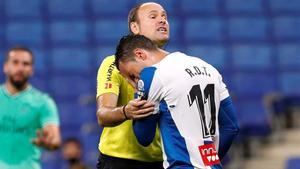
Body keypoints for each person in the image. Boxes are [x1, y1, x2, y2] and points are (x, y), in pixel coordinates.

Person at [115, 35, 240, 169]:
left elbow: (144, 137)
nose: (132, 82)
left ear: (140, 54)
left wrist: (138, 93)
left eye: (132, 76)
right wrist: (206, 162)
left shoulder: (152, 75)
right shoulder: (208, 68)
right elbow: (231, 127)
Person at [95, 2, 169, 169]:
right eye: (153, 16)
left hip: (161, 161)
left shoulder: (174, 67)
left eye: (164, 16)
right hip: (117, 161)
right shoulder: (113, 64)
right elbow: (103, 114)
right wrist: (125, 111)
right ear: (135, 27)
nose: (162, 20)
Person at [0, 46, 61, 169]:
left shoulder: (43, 102)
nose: (20, 68)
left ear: (31, 69)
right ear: (5, 67)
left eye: (25, 64)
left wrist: (48, 142)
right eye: (15, 62)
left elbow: (55, 140)